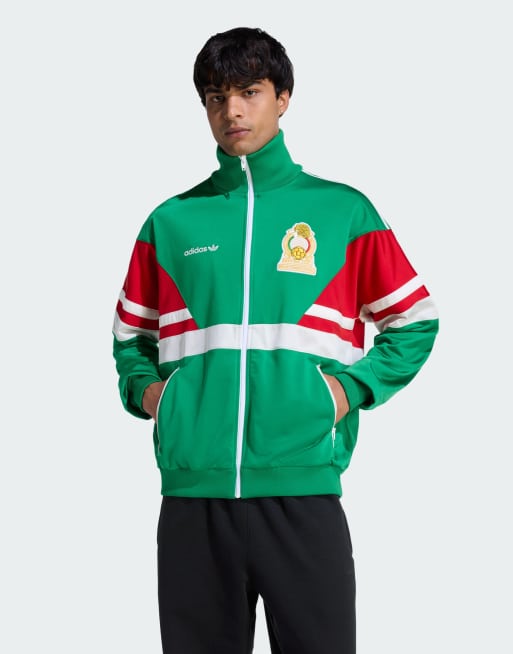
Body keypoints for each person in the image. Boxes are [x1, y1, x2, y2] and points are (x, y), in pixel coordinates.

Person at [112, 26, 439, 654]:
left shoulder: (343, 212)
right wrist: (156, 397)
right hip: (194, 498)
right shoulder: (171, 222)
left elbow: (415, 320)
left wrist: (344, 393)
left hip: (303, 492)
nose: (232, 111)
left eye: (249, 92)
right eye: (216, 98)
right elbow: (131, 337)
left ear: (283, 98)